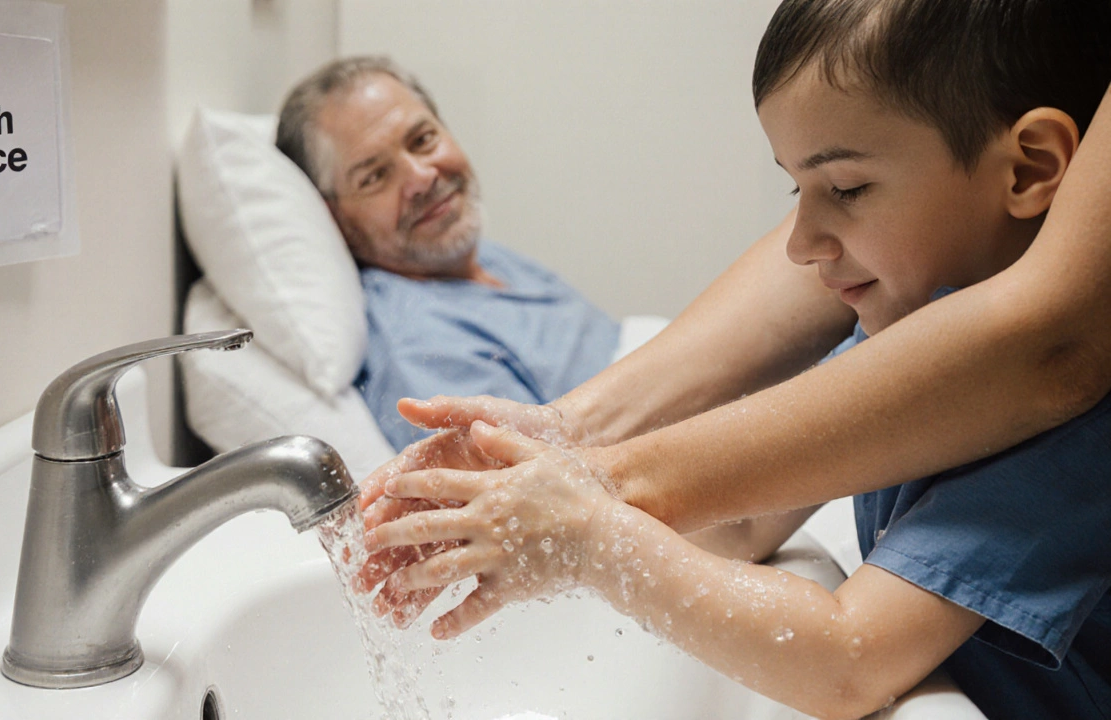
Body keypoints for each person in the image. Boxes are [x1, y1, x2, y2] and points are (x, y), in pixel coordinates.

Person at [361, 1, 1111, 718]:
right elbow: (744, 522)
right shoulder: (900, 330)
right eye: (797, 190)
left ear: (1027, 169)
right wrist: (540, 483)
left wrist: (592, 535)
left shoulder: (1062, 430)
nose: (799, 243)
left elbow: (850, 660)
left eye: (845, 188)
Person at [273, 57, 622, 451]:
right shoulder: (420, 346)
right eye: (374, 177)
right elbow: (545, 490)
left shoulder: (474, 259)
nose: (422, 177)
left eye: (422, 140)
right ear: (333, 218)